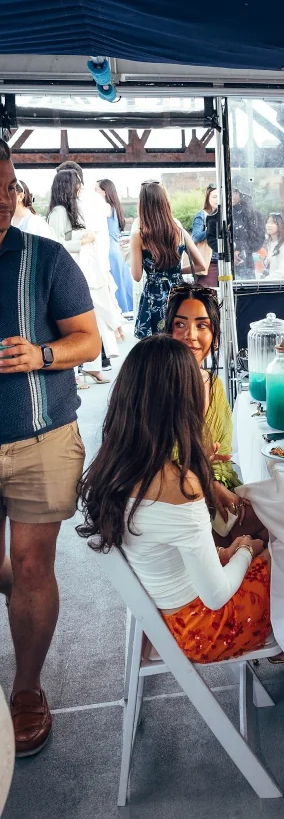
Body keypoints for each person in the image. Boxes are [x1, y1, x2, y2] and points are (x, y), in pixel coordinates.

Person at [78, 335, 284, 742]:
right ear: (179, 400)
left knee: (278, 541)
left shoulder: (118, 464)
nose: (206, 385)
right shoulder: (176, 485)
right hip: (203, 626)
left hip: (170, 608)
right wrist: (243, 551)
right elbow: (217, 595)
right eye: (199, 381)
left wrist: (232, 542)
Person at [0, 137, 102, 757]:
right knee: (14, 571)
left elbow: (88, 342)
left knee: (35, 567)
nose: (2, 201)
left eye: (7, 187)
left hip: (40, 438)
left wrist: (40, 354)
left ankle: (28, 687)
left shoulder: (46, 258)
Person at [164, 284, 267, 544]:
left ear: (215, 334)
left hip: (217, 488)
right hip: (175, 503)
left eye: (202, 325)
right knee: (278, 528)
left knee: (282, 513)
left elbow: (221, 460)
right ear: (167, 330)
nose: (191, 336)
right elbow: (149, 464)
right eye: (180, 324)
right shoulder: (156, 387)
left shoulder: (214, 384)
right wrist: (209, 484)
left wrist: (217, 484)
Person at [47, 170, 112, 385]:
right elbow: (55, 245)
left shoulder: (69, 210)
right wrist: (81, 241)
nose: (80, 188)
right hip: (68, 274)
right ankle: (76, 372)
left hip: (80, 270)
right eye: (77, 184)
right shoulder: (58, 213)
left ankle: (91, 367)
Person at [131, 181, 205, 339]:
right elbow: (200, 265)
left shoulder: (139, 234)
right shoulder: (178, 229)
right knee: (180, 339)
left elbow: (136, 275)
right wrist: (177, 271)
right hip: (178, 293)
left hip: (154, 296)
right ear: (165, 202)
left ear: (142, 204)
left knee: (156, 346)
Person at [96, 179, 134, 316]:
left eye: (96, 190)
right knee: (122, 282)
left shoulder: (105, 207)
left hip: (109, 250)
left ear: (104, 192)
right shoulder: (115, 206)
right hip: (117, 248)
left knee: (114, 284)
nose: (94, 193)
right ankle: (128, 310)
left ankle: (119, 313)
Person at [231, 183, 263, 280]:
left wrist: (241, 250)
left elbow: (258, 240)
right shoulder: (223, 213)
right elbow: (214, 238)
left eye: (236, 192)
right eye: (232, 191)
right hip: (226, 265)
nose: (233, 195)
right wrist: (230, 252)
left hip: (247, 264)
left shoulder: (255, 215)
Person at [191, 183, 219, 287]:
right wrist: (211, 230)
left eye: (219, 197)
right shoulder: (202, 215)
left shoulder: (226, 214)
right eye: (214, 197)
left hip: (225, 262)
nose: (217, 200)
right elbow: (195, 237)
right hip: (209, 263)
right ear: (208, 198)